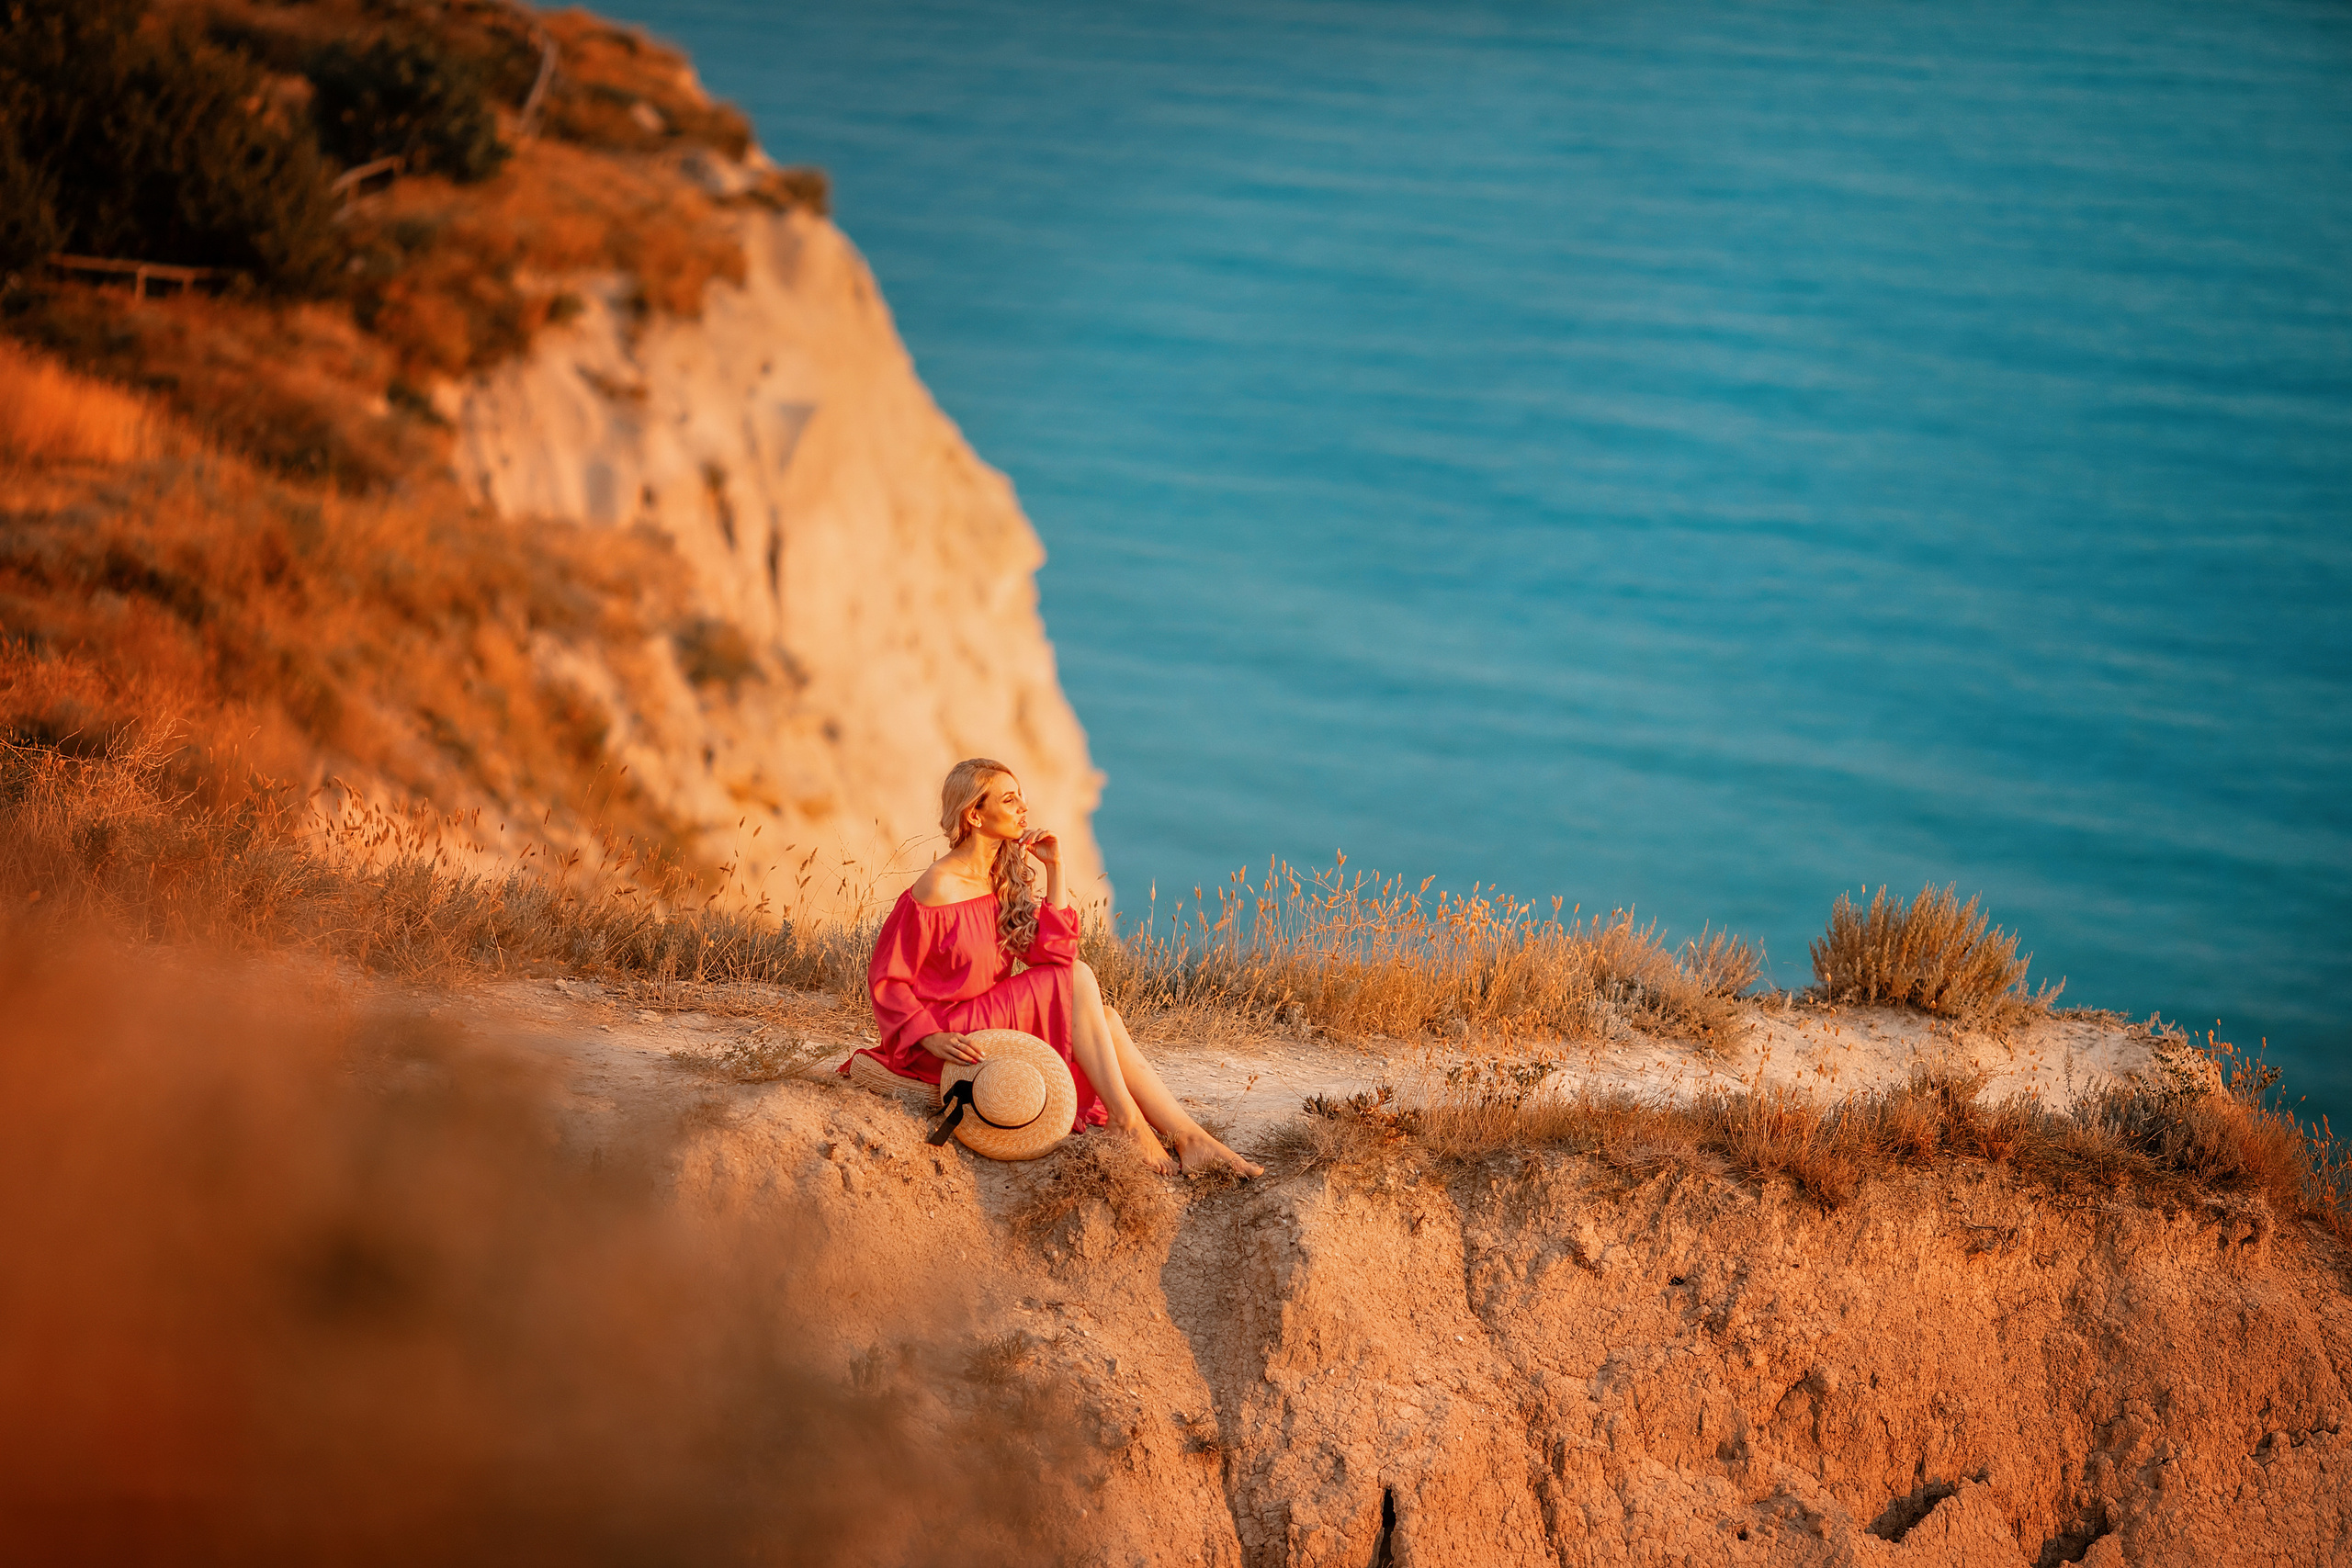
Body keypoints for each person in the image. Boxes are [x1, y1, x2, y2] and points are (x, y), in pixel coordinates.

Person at [843, 757, 1261, 1179]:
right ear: (974, 815)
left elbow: (1055, 956)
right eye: (1009, 799)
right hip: (950, 1039)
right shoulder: (939, 885)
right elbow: (887, 978)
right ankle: (1126, 1121)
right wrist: (930, 1036)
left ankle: (1190, 1138)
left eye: (1021, 796)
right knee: (1079, 978)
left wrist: (1055, 868)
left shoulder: (997, 879)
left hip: (987, 1020)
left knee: (1106, 1020)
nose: (1023, 807)